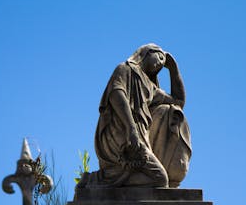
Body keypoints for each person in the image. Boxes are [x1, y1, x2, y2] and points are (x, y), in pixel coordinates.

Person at [81, 43, 191, 188]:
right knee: (160, 179)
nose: (160, 63)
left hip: (138, 137)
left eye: (162, 62)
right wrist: (131, 129)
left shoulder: (150, 87)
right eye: (158, 57)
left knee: (154, 178)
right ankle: (99, 178)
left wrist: (173, 68)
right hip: (121, 133)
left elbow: (178, 101)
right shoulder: (125, 68)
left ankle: (105, 177)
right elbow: (116, 94)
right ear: (146, 53)